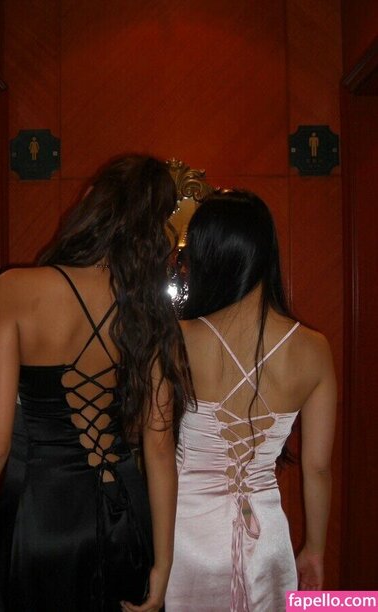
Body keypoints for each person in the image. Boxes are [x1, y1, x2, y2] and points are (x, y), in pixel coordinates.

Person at [0, 154, 192, 612]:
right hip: (123, 515)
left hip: (41, 518)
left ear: (90, 202)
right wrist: (164, 562)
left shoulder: (14, 289)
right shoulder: (150, 312)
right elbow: (159, 450)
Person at [165, 190, 336, 611]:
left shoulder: (178, 340)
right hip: (269, 541)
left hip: (185, 536)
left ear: (206, 257)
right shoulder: (314, 348)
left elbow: (151, 444)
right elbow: (317, 467)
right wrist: (315, 550)